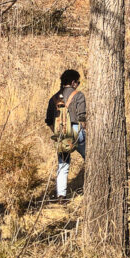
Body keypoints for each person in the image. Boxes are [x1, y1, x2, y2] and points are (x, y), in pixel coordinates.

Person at [45, 69, 86, 200]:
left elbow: (48, 121)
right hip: (76, 130)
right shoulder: (78, 95)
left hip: (61, 134)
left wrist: (57, 133)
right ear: (73, 82)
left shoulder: (53, 98)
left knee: (63, 164)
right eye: (78, 82)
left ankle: (61, 195)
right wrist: (84, 132)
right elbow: (82, 118)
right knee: (90, 158)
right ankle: (91, 187)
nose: (78, 85)